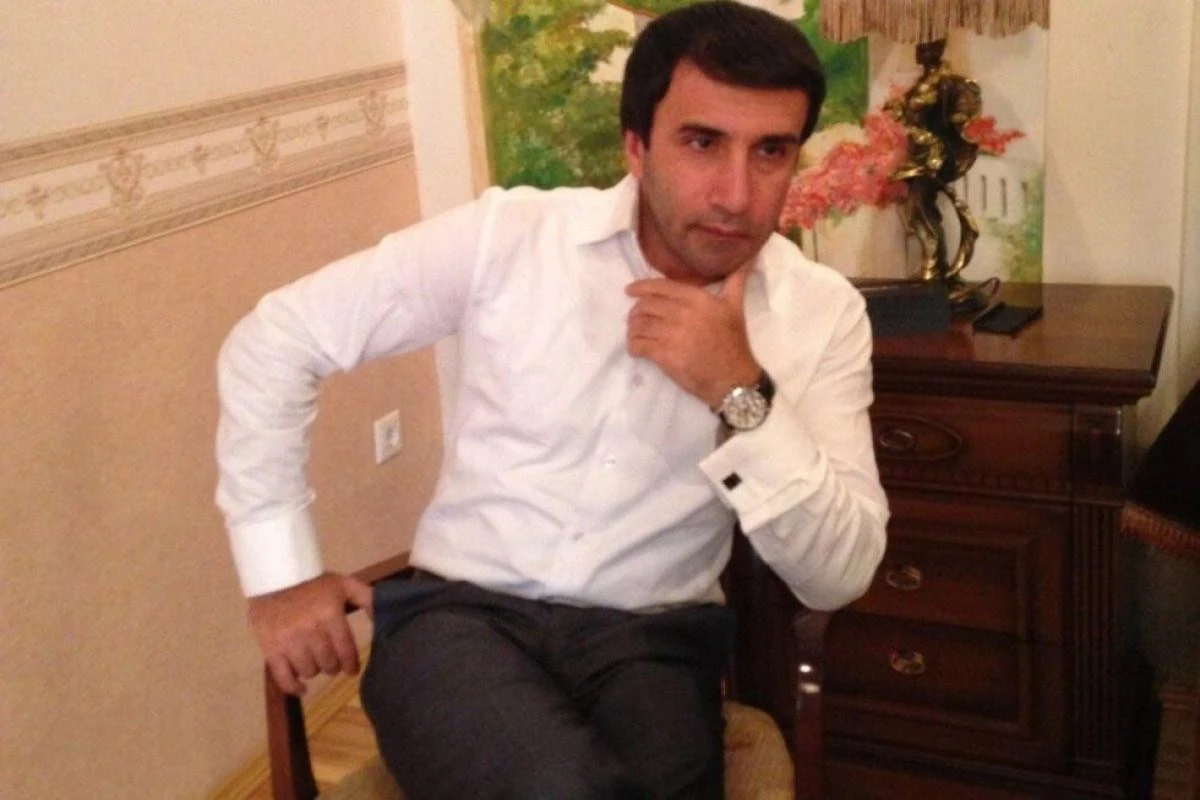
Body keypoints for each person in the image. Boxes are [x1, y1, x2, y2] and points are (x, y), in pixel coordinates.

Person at [215, 2, 888, 797]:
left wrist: (740, 391)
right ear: (636, 146)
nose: (737, 194)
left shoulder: (820, 313)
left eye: (770, 151)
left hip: (653, 646)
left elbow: (838, 576)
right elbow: (277, 339)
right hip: (460, 623)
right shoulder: (510, 239)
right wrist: (281, 574)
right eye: (702, 142)